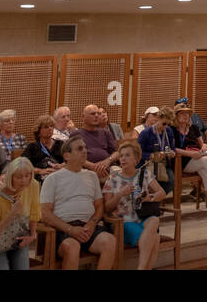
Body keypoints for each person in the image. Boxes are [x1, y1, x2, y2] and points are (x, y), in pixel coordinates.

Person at [40, 135, 116, 270]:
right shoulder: (52, 179)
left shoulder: (92, 176)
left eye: (86, 148)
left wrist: (92, 224)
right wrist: (70, 229)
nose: (85, 151)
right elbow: (45, 214)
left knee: (109, 241)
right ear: (66, 155)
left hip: (88, 227)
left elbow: (99, 207)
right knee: (72, 247)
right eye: (80, 148)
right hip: (62, 230)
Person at [103, 140, 165, 270]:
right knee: (155, 238)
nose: (123, 159)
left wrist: (150, 197)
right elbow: (107, 207)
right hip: (124, 222)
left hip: (143, 217)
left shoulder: (144, 174)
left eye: (127, 155)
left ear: (136, 159)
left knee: (154, 220)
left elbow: (162, 193)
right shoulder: (113, 178)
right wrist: (120, 194)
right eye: (121, 156)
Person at [0, 157, 41, 270]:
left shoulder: (33, 185)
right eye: (19, 177)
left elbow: (35, 212)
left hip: (17, 237)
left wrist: (33, 234)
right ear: (10, 177)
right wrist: (12, 214)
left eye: (27, 175)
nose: (24, 180)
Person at [137, 105, 178, 194]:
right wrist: (150, 155)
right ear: (158, 118)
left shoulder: (169, 131)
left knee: (170, 182)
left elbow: (173, 148)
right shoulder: (146, 133)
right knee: (150, 182)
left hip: (163, 165)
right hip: (147, 164)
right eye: (164, 123)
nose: (166, 126)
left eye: (168, 124)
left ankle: (156, 200)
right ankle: (152, 201)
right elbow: (138, 153)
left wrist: (172, 153)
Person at [77, 104, 120, 179]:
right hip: (86, 170)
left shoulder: (106, 132)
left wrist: (107, 161)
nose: (96, 116)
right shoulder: (77, 134)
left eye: (98, 113)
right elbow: (75, 157)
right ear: (83, 117)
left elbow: (116, 152)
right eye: (93, 114)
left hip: (108, 168)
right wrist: (94, 167)